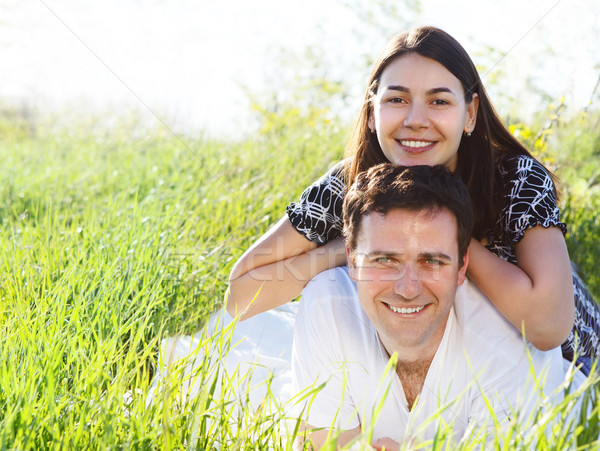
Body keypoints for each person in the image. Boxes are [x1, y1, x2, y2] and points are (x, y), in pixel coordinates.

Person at [226, 26, 599, 373]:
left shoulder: (514, 178)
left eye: (438, 101)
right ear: (372, 113)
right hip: (423, 370)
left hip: (559, 375)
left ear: (469, 114)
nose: (416, 120)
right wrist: (351, 247)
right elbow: (241, 296)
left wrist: (447, 238)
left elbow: (549, 326)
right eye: (397, 99)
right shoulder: (349, 183)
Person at [291, 163, 570, 451]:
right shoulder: (328, 306)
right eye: (384, 259)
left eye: (432, 261)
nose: (407, 289)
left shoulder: (511, 345)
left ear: (463, 265)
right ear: (352, 261)